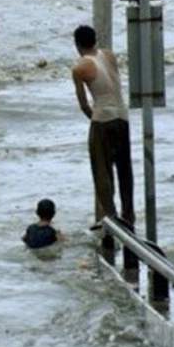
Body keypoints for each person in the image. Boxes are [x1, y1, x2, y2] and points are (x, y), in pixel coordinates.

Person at [71, 25, 135, 228]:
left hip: (102, 118)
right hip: (122, 115)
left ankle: (110, 217)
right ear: (95, 40)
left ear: (77, 44)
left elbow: (83, 104)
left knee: (102, 171)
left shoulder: (80, 68)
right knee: (124, 168)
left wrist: (94, 119)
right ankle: (129, 213)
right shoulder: (109, 56)